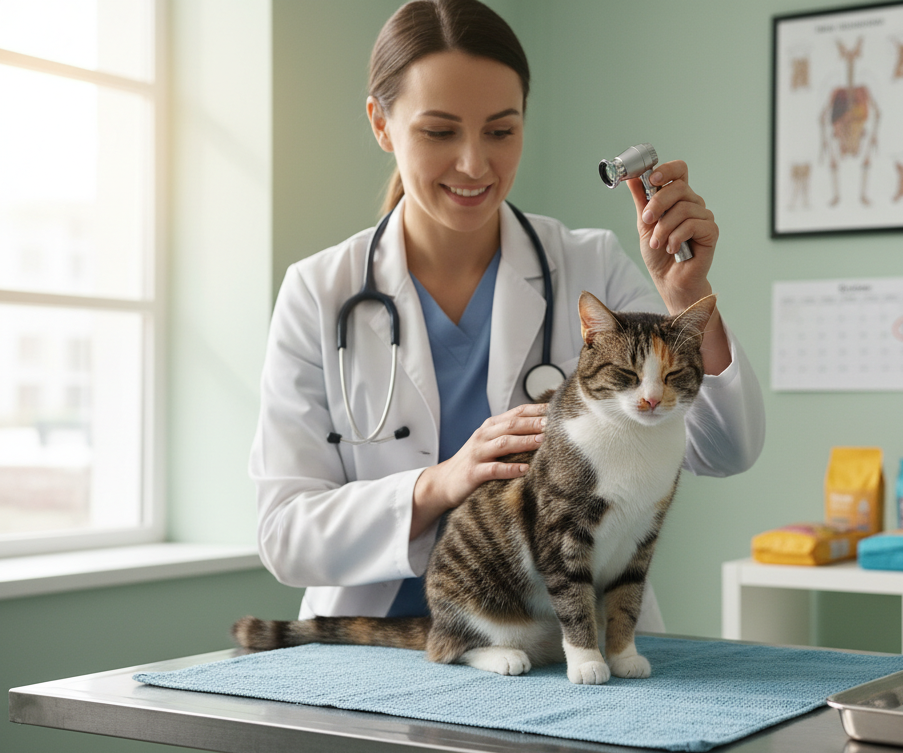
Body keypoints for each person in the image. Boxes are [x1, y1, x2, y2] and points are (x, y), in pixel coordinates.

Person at [249, 0, 765, 632]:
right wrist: (440, 484)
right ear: (382, 125)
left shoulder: (588, 264)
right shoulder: (318, 292)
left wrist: (685, 294)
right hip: (373, 649)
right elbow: (284, 534)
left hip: (562, 651)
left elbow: (725, 450)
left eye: (500, 131)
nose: (474, 164)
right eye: (439, 132)